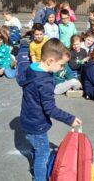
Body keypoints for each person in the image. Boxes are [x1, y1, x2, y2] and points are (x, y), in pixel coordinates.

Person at [20, 38, 82, 181]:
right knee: (43, 153)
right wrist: (70, 119)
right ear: (50, 61)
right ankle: (39, 178)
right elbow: (50, 109)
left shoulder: (32, 68)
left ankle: (35, 168)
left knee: (36, 148)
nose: (62, 68)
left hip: (27, 119)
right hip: (37, 123)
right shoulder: (45, 82)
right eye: (61, 64)